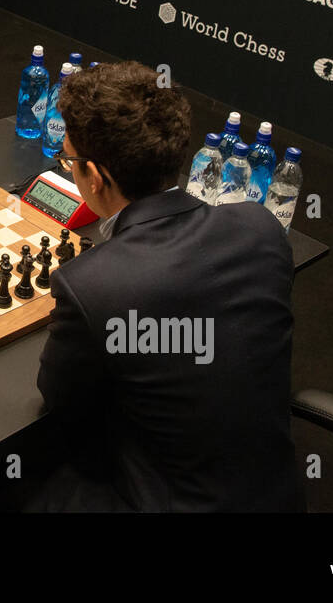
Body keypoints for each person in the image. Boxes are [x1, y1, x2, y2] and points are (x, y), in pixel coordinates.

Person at [33, 61, 302, 511]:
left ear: (95, 178)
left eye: (70, 160)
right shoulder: (261, 228)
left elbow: (59, 400)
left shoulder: (92, 284)